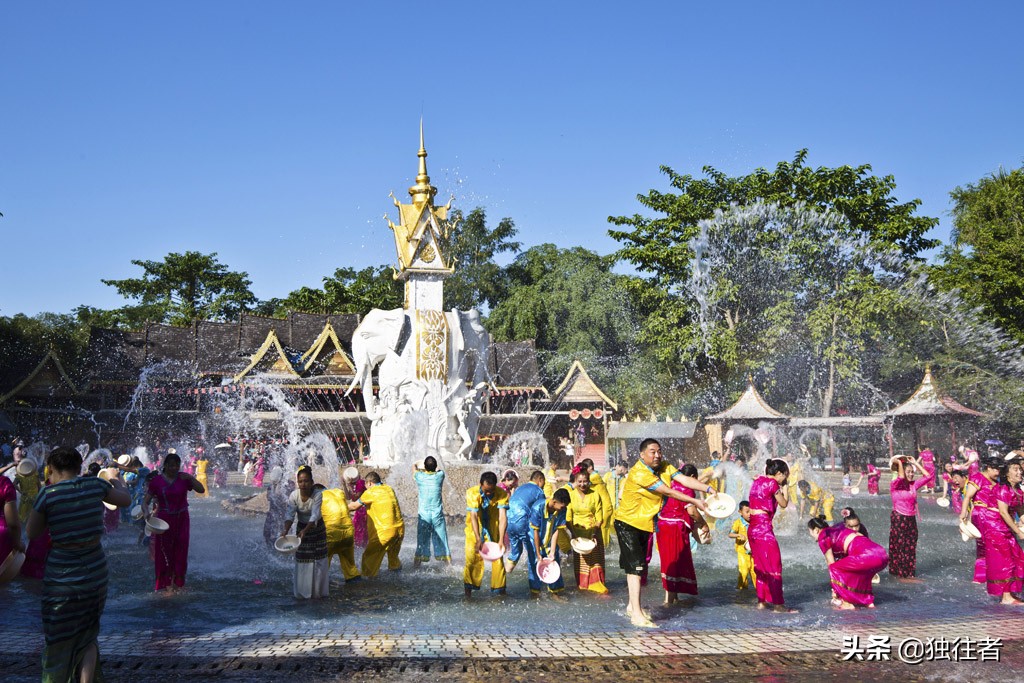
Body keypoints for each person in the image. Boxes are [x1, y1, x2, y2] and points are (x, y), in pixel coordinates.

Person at [27, 446, 131, 683]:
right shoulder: (96, 485)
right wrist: (117, 479)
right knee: (88, 632)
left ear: (51, 468)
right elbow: (125, 500)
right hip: (95, 573)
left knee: (58, 636)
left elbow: (32, 533)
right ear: (79, 466)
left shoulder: (48, 494)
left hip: (61, 579)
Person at [613, 439, 710, 628]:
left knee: (640, 565)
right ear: (642, 455)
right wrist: (695, 501)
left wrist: (707, 488)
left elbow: (683, 479)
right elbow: (669, 491)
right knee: (636, 568)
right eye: (652, 452)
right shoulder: (640, 472)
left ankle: (632, 606)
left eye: (659, 451)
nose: (657, 455)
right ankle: (637, 614)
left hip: (645, 523)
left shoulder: (664, 466)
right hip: (628, 523)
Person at [962, 457, 1024, 604]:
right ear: (1007, 474)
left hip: (1003, 525)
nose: (1020, 471)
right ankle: (1005, 596)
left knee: (1017, 556)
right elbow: (1002, 512)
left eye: (1020, 469)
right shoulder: (1002, 488)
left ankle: (1011, 592)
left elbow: (1020, 511)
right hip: (993, 524)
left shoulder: (1017, 490)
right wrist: (1019, 531)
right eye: (1015, 469)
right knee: (1003, 559)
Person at [143, 451, 205, 592]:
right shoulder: (156, 481)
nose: (174, 468)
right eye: (171, 465)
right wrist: (146, 513)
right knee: (164, 552)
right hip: (163, 521)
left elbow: (201, 490)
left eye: (177, 465)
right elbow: (145, 502)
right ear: (165, 465)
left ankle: (178, 583)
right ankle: (164, 584)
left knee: (181, 551)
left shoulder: (183, 478)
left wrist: (190, 477)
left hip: (182, 519)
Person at [505, 472, 570, 596]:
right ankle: (535, 592)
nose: (563, 509)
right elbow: (535, 530)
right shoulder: (538, 502)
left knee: (550, 555)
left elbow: (557, 529)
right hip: (527, 524)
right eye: (543, 482)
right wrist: (539, 553)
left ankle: (555, 592)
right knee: (534, 557)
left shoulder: (522, 488)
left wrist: (551, 552)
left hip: (510, 522)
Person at [747, 458, 797, 612]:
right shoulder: (773, 483)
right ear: (779, 473)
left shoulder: (757, 481)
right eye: (785, 476)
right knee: (775, 567)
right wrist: (786, 488)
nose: (785, 479)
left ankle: (761, 602)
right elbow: (783, 504)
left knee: (760, 568)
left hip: (753, 529)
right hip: (763, 529)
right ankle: (778, 605)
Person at [807, 515, 888, 609]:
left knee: (834, 568)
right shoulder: (838, 528)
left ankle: (846, 602)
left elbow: (831, 563)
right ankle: (868, 602)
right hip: (882, 554)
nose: (811, 535)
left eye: (810, 531)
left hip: (867, 556)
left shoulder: (823, 537)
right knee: (859, 573)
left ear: (816, 530)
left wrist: (835, 589)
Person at [656, 463, 703, 605]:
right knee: (675, 561)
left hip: (662, 525)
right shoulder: (687, 489)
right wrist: (703, 523)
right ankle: (668, 601)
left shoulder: (669, 483)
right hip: (675, 528)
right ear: (693, 477)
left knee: (669, 561)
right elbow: (692, 512)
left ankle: (673, 596)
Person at [281, 466, 329, 599]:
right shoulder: (294, 495)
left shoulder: (317, 494)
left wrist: (305, 530)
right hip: (301, 529)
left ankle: (318, 593)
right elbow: (290, 515)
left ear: (312, 482)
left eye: (306, 481)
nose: (303, 484)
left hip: (317, 529)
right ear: (297, 482)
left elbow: (314, 516)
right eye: (300, 481)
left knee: (319, 561)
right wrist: (285, 530)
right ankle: (303, 593)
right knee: (303, 560)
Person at [348, 472, 404, 578]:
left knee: (368, 557)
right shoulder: (389, 488)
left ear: (369, 483)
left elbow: (354, 506)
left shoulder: (371, 492)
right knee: (393, 558)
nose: (365, 487)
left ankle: (367, 581)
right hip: (399, 530)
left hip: (385, 532)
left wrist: (340, 506)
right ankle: (397, 580)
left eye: (365, 484)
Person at [463, 471, 509, 597]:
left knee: (498, 558)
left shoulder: (501, 493)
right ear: (480, 484)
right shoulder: (472, 493)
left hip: (492, 527)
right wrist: (478, 539)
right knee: (472, 557)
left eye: (491, 491)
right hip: (474, 529)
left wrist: (501, 540)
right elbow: (473, 516)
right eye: (486, 490)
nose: (488, 493)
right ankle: (468, 593)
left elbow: (503, 517)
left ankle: (501, 592)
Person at [565, 467, 608, 594]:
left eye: (585, 481)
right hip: (578, 534)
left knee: (595, 561)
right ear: (575, 481)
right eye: (580, 481)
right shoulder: (571, 496)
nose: (582, 484)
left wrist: (595, 531)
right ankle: (583, 586)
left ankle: (597, 584)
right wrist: (573, 534)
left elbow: (599, 516)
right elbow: (568, 518)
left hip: (594, 531)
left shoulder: (595, 494)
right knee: (581, 562)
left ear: (589, 481)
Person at [888, 454, 929, 581]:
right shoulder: (895, 484)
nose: (911, 474)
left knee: (911, 546)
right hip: (899, 518)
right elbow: (900, 477)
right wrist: (899, 463)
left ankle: (908, 573)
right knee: (900, 546)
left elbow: (928, 476)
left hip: (911, 519)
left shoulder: (913, 485)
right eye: (908, 472)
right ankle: (902, 575)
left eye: (912, 472)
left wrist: (916, 463)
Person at [414, 457, 451, 567]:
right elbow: (438, 469)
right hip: (437, 515)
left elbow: (414, 467)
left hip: (424, 516)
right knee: (443, 541)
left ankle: (416, 567)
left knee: (421, 541)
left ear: (424, 467)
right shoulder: (440, 476)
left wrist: (417, 462)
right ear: (435, 467)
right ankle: (449, 566)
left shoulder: (419, 476)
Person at [319, 486, 360, 582]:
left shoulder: (318, 497)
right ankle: (357, 588)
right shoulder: (339, 492)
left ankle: (318, 589)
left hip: (332, 536)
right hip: (348, 534)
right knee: (351, 568)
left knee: (321, 566)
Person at [580, 458, 614, 547]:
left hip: (606, 507)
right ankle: (610, 545)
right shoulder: (594, 476)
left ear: (590, 467)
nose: (584, 471)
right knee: (601, 528)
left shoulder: (594, 476)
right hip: (602, 506)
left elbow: (582, 481)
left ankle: (605, 548)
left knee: (603, 527)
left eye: (585, 469)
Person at [728, 501, 755, 590]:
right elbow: (730, 534)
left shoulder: (754, 521)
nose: (749, 514)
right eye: (747, 512)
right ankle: (741, 589)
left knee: (754, 571)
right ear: (740, 512)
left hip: (754, 551)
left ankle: (758, 590)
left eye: (750, 512)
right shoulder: (738, 523)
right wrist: (738, 535)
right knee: (743, 571)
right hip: (742, 551)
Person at [344, 468, 368, 548]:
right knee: (357, 529)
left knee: (362, 529)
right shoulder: (353, 485)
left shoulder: (361, 483)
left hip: (364, 510)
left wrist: (349, 486)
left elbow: (355, 497)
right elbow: (348, 497)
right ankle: (359, 546)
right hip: (359, 510)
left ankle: (363, 547)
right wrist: (344, 485)